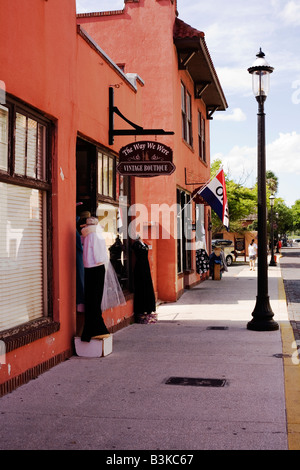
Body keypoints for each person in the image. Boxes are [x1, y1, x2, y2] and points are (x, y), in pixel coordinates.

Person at [80, 216, 110, 342]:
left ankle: (89, 330)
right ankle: (98, 328)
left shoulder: (86, 237)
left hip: (87, 269)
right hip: (97, 268)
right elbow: (99, 256)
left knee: (90, 299)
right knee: (96, 298)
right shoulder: (96, 236)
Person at [132, 235, 156, 323]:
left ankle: (149, 309)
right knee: (141, 286)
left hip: (146, 266)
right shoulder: (136, 245)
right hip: (140, 267)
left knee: (147, 285)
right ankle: (142, 310)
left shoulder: (144, 244)